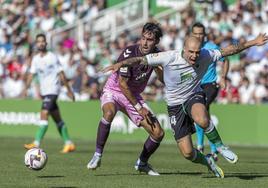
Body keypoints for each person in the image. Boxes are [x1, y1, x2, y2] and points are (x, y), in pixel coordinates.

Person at [103, 33, 268, 178]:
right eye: (191, 52)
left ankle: (220, 146)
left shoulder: (206, 54)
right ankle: (208, 162)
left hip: (193, 96)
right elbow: (140, 59)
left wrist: (253, 42)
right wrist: (121, 64)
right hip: (174, 105)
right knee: (188, 153)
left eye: (197, 52)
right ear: (183, 49)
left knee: (202, 119)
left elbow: (230, 50)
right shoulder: (168, 57)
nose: (195, 56)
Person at [87, 22, 165, 176]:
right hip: (114, 90)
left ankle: (142, 163)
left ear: (156, 42)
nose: (144, 42)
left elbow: (164, 80)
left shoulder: (158, 55)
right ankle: (97, 155)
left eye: (149, 40)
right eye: (143, 38)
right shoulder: (130, 52)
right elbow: (122, 84)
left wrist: (159, 68)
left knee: (158, 133)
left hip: (134, 95)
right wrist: (138, 107)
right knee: (108, 113)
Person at [23, 34, 76, 153]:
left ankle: (36, 143)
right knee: (57, 119)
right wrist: (26, 88)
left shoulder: (52, 57)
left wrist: (69, 90)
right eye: (38, 42)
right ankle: (69, 143)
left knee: (44, 114)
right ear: (36, 44)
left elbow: (61, 73)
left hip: (53, 90)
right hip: (45, 91)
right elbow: (31, 74)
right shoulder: (36, 59)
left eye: (43, 41)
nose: (41, 43)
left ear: (46, 43)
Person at [191, 22, 229, 161]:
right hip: (196, 86)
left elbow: (225, 59)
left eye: (201, 33)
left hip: (210, 85)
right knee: (203, 114)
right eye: (196, 33)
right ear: (192, 34)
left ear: (204, 34)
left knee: (201, 110)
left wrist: (223, 77)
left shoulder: (211, 47)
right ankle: (214, 149)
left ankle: (200, 145)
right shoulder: (190, 48)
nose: (198, 36)